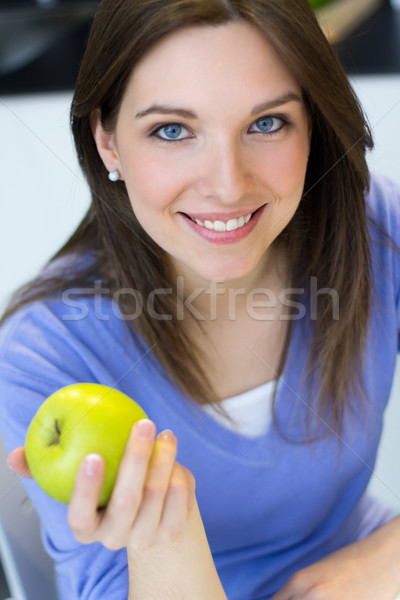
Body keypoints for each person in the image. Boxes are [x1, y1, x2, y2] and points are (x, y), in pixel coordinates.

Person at [1, 0, 400, 598]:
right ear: (107, 141)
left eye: (266, 123)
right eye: (172, 130)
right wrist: (165, 536)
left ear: (313, 124)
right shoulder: (42, 354)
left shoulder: (372, 229)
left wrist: (380, 562)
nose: (227, 185)